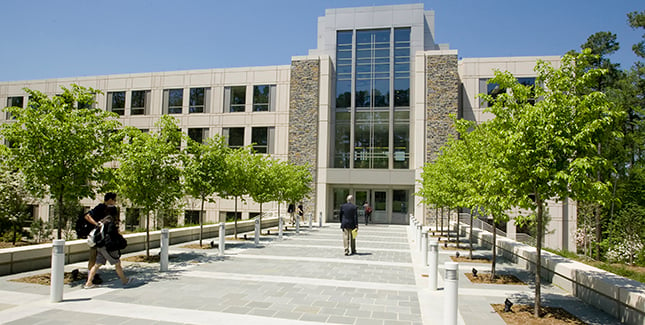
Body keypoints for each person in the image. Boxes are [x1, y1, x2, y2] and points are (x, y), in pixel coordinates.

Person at [84, 206, 133, 288]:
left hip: (99, 245)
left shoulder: (102, 221)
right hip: (108, 247)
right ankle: (125, 280)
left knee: (97, 264)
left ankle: (88, 283)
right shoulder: (110, 222)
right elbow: (112, 234)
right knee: (117, 263)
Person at [83, 192, 117, 284]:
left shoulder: (113, 209)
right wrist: (97, 224)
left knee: (100, 258)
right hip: (97, 236)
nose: (115, 202)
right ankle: (91, 278)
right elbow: (87, 216)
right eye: (114, 200)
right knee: (93, 256)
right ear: (109, 199)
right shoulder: (100, 207)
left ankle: (93, 277)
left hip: (106, 237)